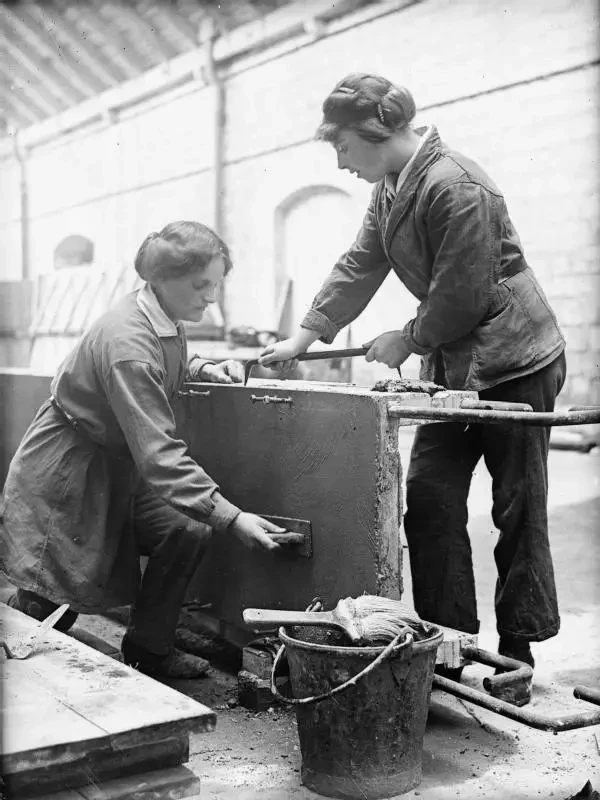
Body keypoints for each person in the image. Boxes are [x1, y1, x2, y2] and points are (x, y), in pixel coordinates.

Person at [259, 73, 566, 703]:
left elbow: (464, 294)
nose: (340, 162)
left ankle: (517, 652)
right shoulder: (391, 188)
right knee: (429, 500)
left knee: (517, 505)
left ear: (375, 132)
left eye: (342, 146)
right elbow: (359, 263)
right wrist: (303, 338)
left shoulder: (458, 185)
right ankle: (450, 642)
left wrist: (408, 337)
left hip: (517, 361)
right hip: (456, 366)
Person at [0, 220, 286, 679]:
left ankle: (149, 649)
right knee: (49, 611)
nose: (211, 297)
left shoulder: (160, 313)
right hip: (70, 469)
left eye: (216, 284)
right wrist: (233, 517)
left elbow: (165, 356)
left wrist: (202, 366)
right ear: (162, 279)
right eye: (201, 285)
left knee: (185, 529)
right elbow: (160, 456)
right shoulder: (127, 342)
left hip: (117, 465)